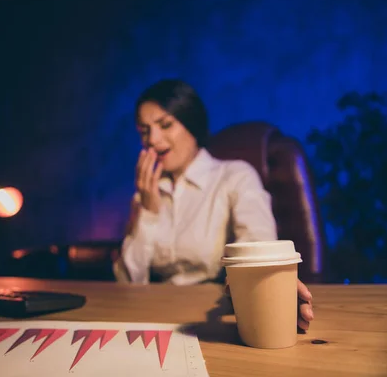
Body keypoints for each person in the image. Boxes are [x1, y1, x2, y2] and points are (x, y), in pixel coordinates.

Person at [113, 79, 314, 331]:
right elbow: (128, 284)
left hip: (213, 314)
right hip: (154, 315)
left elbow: (256, 245)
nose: (152, 139)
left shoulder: (234, 177)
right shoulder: (147, 193)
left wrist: (271, 286)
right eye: (144, 131)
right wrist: (149, 213)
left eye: (165, 125)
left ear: (192, 125)